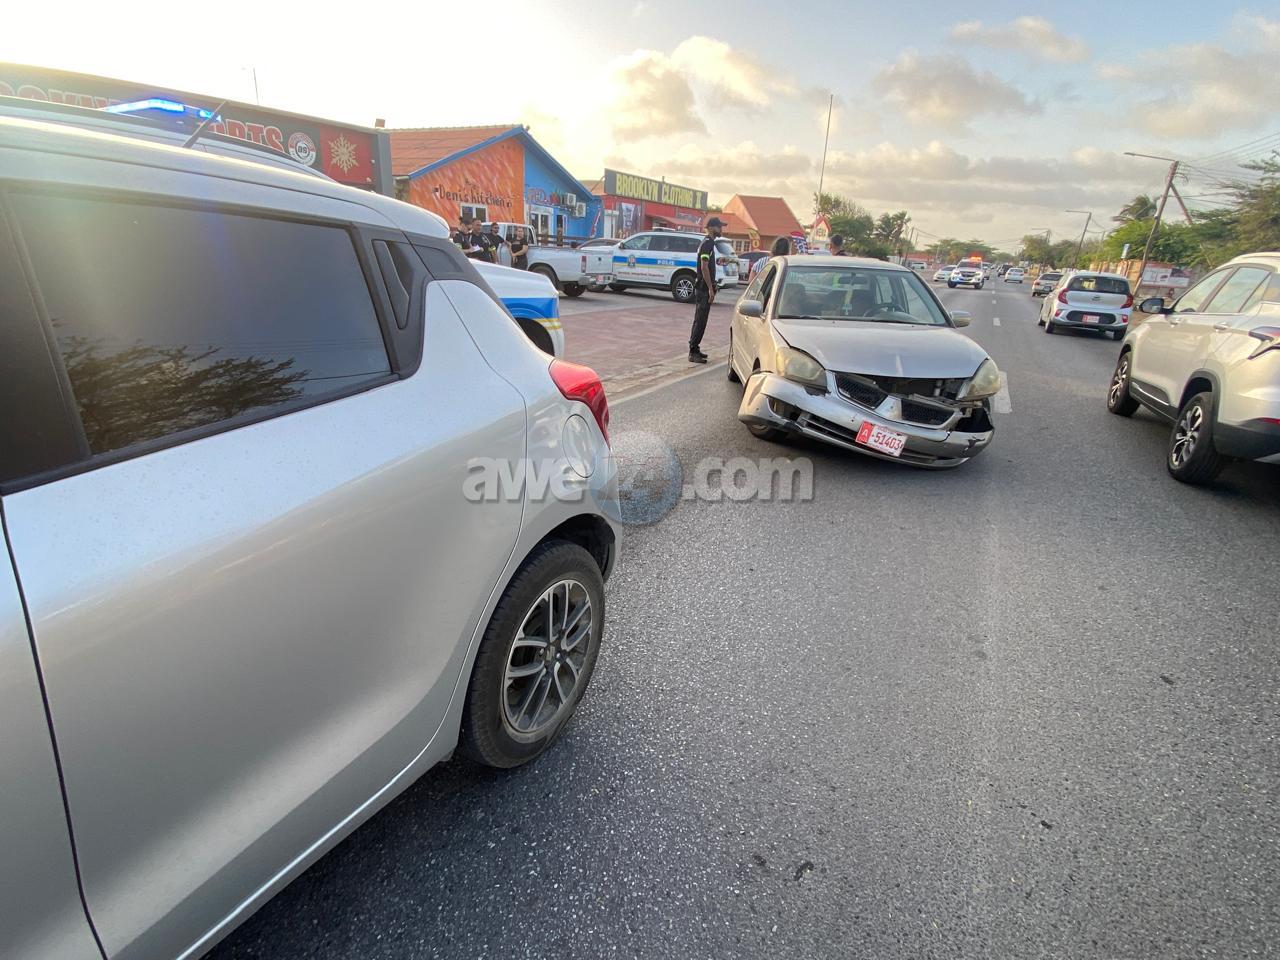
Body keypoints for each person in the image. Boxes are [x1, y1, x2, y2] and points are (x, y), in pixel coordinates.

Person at [688, 216, 724, 364]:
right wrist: (710, 288)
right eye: (719, 227)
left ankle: (695, 348)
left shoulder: (708, 243)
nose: (721, 229)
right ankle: (693, 351)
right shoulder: (707, 243)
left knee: (701, 320)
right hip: (703, 289)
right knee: (700, 320)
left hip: (704, 288)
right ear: (711, 228)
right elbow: (704, 267)